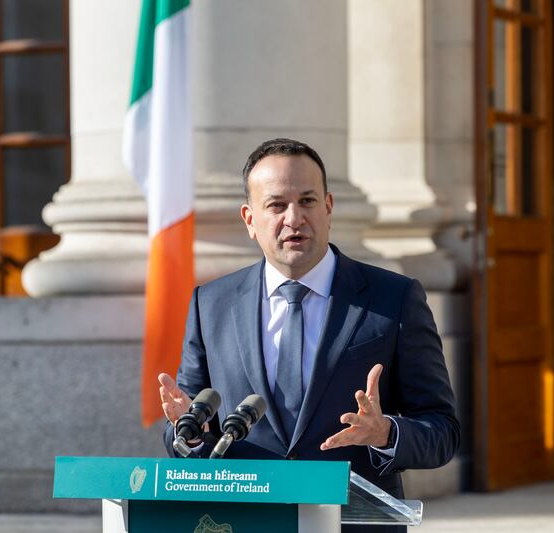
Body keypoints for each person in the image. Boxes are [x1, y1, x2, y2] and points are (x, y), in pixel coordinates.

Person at [158, 138, 460, 533]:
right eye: (277, 205)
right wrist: (187, 433)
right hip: (246, 520)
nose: (294, 218)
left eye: (308, 201)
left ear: (329, 207)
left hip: (353, 523)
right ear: (250, 219)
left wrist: (385, 432)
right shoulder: (211, 304)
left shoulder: (394, 299)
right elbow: (189, 427)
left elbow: (443, 431)